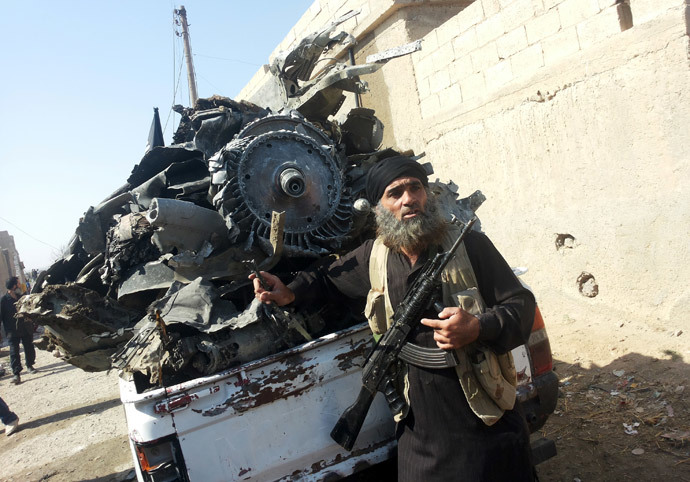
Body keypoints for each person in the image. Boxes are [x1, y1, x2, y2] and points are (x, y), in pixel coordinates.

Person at [252, 156, 537, 481]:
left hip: (488, 425)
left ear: (426, 194)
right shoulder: (373, 257)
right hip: (421, 438)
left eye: (415, 187)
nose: (408, 199)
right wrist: (289, 292)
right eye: (395, 192)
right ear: (379, 208)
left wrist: (477, 327)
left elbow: (521, 307)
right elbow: (327, 279)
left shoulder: (469, 245)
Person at [1, 276, 37, 384]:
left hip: (25, 327)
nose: (20, 285)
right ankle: (16, 374)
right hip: (12, 330)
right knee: (14, 352)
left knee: (29, 347)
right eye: (18, 283)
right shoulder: (3, 301)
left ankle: (30, 366)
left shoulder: (21, 297)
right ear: (13, 286)